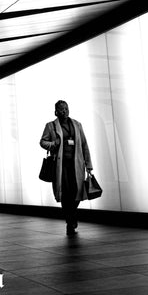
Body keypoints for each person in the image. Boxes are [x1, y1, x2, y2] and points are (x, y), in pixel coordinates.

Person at [40, 100, 93, 235]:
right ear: (56, 112)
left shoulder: (77, 125)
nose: (64, 111)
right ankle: (70, 222)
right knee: (65, 194)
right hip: (61, 166)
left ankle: (71, 217)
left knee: (77, 191)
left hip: (76, 164)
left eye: (66, 109)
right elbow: (42, 142)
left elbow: (84, 145)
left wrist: (89, 165)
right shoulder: (51, 126)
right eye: (61, 109)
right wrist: (54, 144)